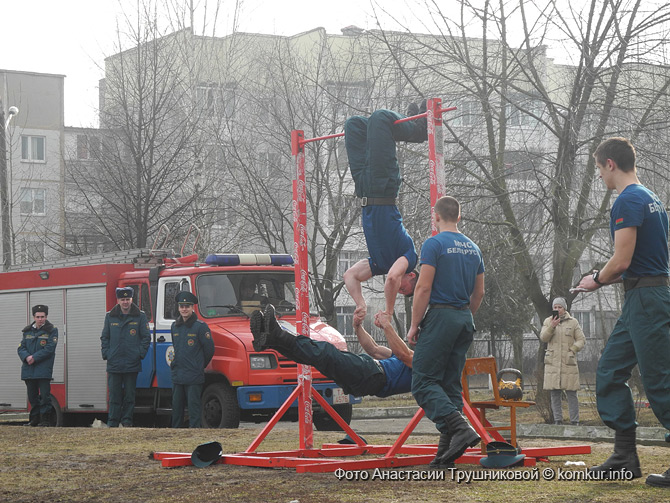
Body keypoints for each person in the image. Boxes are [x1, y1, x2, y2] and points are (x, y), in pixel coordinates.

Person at [572, 137, 670, 486]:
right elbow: (640, 260)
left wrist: (594, 279)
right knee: (610, 370)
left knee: (659, 381)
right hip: (644, 297)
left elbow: (622, 261)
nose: (600, 175)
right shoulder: (651, 197)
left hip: (647, 300)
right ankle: (625, 455)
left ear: (610, 164)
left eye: (599, 168)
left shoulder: (628, 199)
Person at [408, 195, 485, 469]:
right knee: (449, 384)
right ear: (459, 217)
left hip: (441, 316)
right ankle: (445, 456)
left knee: (423, 381)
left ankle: (461, 429)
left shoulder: (434, 243)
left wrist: (415, 324)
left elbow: (423, 287)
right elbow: (479, 292)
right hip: (464, 318)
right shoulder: (474, 248)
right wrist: (464, 316)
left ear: (436, 216)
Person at [343, 102, 425, 327]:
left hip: (364, 190)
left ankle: (409, 122)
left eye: (400, 294)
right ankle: (418, 130)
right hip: (383, 187)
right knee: (380, 118)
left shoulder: (380, 264)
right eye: (405, 290)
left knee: (354, 126)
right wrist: (388, 312)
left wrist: (360, 303)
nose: (400, 290)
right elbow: (392, 278)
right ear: (411, 276)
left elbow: (350, 275)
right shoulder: (409, 258)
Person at [249, 304, 412, 399]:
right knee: (318, 358)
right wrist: (357, 327)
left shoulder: (424, 362)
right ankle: (272, 341)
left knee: (326, 352)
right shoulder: (409, 357)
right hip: (369, 375)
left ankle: (277, 334)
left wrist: (387, 325)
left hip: (373, 375)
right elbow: (374, 349)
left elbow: (405, 354)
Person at [100, 287, 150, 427]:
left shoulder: (140, 316)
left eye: (128, 299)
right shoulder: (110, 316)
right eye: (123, 299)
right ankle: (113, 422)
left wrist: (139, 354)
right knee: (114, 396)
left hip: (131, 363)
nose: (125, 302)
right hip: (114, 363)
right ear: (118, 300)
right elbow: (105, 337)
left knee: (129, 396)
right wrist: (106, 353)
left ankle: (127, 421)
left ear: (131, 299)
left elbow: (146, 338)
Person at [170, 291, 215, 428]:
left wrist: (199, 365)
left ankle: (194, 433)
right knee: (176, 409)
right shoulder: (174, 327)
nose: (184, 309)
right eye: (182, 306)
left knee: (194, 408)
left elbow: (209, 349)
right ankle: (175, 434)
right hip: (178, 374)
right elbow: (176, 349)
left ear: (192, 308)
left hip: (194, 375)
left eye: (187, 306)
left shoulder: (200, 327)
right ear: (178, 308)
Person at [540, 297, 586, 425]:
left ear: (564, 308)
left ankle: (575, 421)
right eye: (555, 307)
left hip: (568, 362)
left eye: (560, 307)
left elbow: (581, 340)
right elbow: (543, 338)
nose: (557, 309)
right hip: (553, 363)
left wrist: (573, 350)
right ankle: (558, 420)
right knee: (554, 393)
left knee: (571, 393)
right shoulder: (548, 321)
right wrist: (552, 327)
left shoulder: (573, 322)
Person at [17, 305, 58, 427]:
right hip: (29, 369)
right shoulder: (27, 331)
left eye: (42, 317)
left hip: (43, 369)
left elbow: (50, 348)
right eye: (38, 317)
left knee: (45, 396)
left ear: (46, 317)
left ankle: (45, 420)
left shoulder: (51, 330)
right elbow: (21, 348)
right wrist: (26, 357)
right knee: (32, 397)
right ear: (34, 317)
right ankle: (34, 419)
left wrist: (34, 357)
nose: (40, 319)